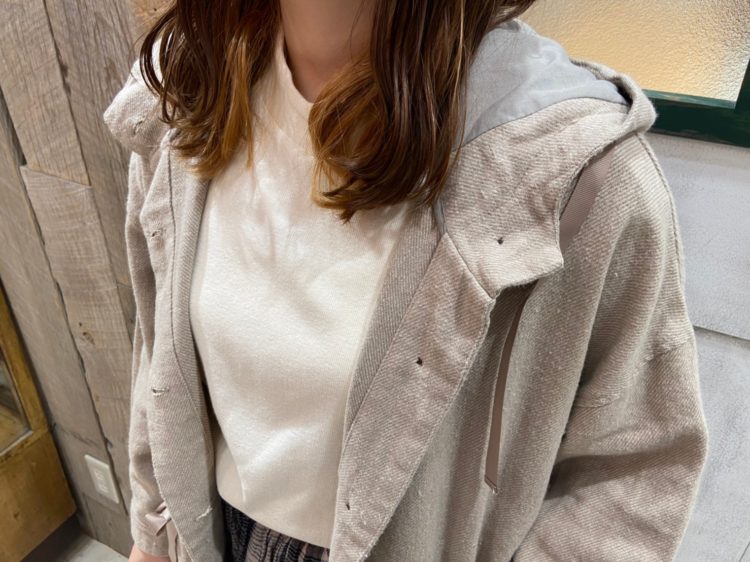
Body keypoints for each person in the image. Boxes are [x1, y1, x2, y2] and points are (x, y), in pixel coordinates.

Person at [103, 1, 709, 561]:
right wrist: (154, 531)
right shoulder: (186, 98)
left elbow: (631, 475)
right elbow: (160, 353)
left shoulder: (577, 177)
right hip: (212, 536)